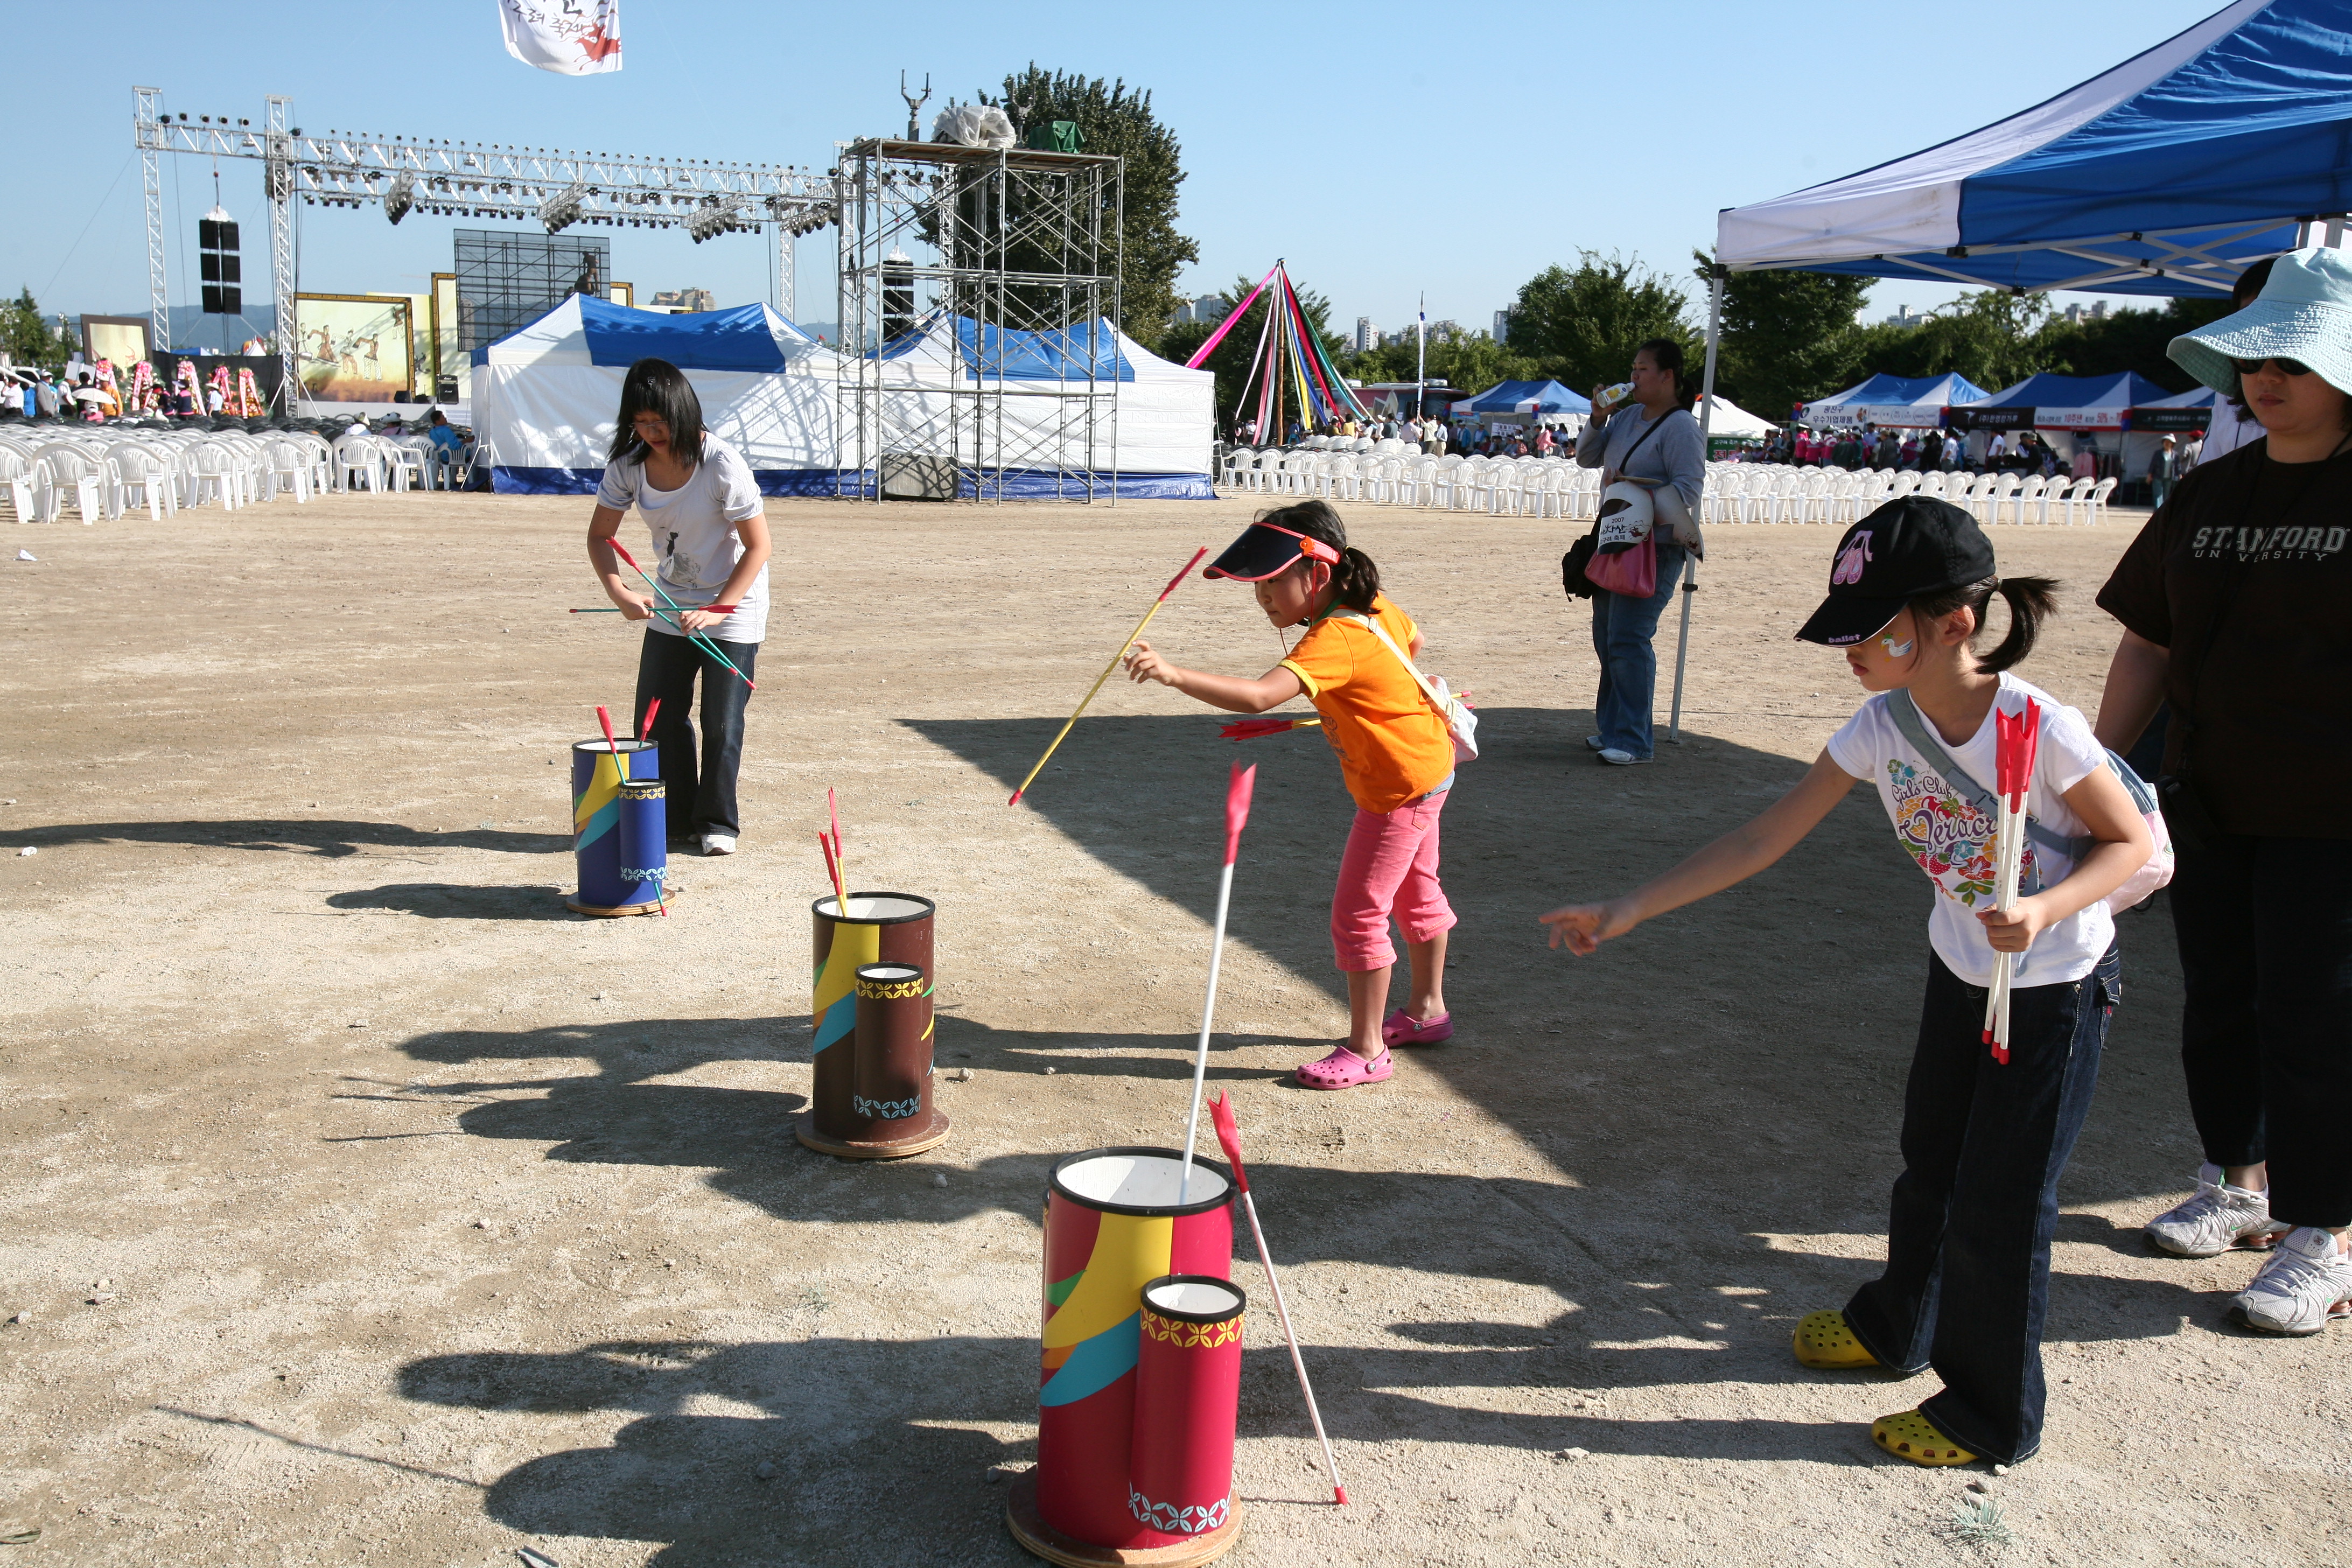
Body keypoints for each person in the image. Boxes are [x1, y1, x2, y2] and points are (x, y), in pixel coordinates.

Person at [1542, 495, 2151, 1467]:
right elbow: (1761, 835)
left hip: (2054, 993)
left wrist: (2043, 909)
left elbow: (2130, 844)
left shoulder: (2042, 729)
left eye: (1868, 629)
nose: (1846, 650)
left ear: (1953, 623)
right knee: (1930, 1165)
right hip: (1960, 972)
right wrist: (1628, 908)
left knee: (2003, 1201)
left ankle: (1990, 1413)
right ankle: (1896, 1321)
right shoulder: (1882, 724)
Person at [2093, 244, 2352, 1335]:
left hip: (2335, 811)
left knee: (2319, 1015)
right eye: (2253, 357)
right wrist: (2100, 770)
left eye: (2293, 357)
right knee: (2222, 1000)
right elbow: (2147, 641)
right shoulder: (2207, 491)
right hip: (2207, 794)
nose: (2266, 378)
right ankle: (2235, 1181)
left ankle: (2324, 1232)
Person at [1123, 501, 1457, 1090]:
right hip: (1429, 769)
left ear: (1319, 575)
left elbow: (1258, 696)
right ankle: (1428, 1010)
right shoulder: (1373, 607)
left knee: (1358, 915)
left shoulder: (1333, 639)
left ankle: (1369, 1048)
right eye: (1259, 585)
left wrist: (1173, 674)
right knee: (1418, 889)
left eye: (1274, 581)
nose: (1265, 597)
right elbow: (1416, 638)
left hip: (1395, 791)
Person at [586, 358, 773, 857]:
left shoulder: (720, 463)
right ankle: (674, 816)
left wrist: (720, 610)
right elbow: (600, 536)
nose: (652, 433)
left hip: (734, 606)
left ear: (685, 411)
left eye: (660, 422)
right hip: (672, 604)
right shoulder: (628, 466)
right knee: (657, 716)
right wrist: (621, 594)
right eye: (641, 423)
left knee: (722, 721)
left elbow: (759, 547)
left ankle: (716, 822)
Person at [1579, 338, 1705, 765]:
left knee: (1629, 639)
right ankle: (1612, 728)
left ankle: (1634, 740)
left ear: (1668, 376)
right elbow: (1586, 458)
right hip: (1615, 537)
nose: (1634, 376)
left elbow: (1688, 488)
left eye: (1644, 369)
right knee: (1607, 637)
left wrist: (1632, 484)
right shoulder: (1628, 414)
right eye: (1633, 368)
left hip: (1656, 546)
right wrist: (1598, 419)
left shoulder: (1682, 426)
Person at [2190, 257, 2276, 469]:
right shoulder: (2229, 390)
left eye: (2270, 315)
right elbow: (2209, 466)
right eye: (2248, 316)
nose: (2268, 376)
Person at [424, 409, 468, 489]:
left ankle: (449, 479)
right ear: (438, 421)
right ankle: (469, 480)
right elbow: (454, 446)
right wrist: (466, 441)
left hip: (441, 456)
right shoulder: (446, 431)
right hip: (451, 456)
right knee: (470, 456)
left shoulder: (432, 432)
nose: (445, 418)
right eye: (443, 417)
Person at [2146, 435, 2178, 509]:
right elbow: (2152, 465)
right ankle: (2158, 511)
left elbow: (2177, 466)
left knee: (2166, 496)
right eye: (2165, 442)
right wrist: (2149, 475)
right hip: (2158, 477)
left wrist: (2179, 474)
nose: (2167, 443)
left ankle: (2163, 512)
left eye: (2169, 442)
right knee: (2158, 496)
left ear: (2172, 444)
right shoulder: (2158, 453)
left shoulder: (2175, 455)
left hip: (2169, 478)